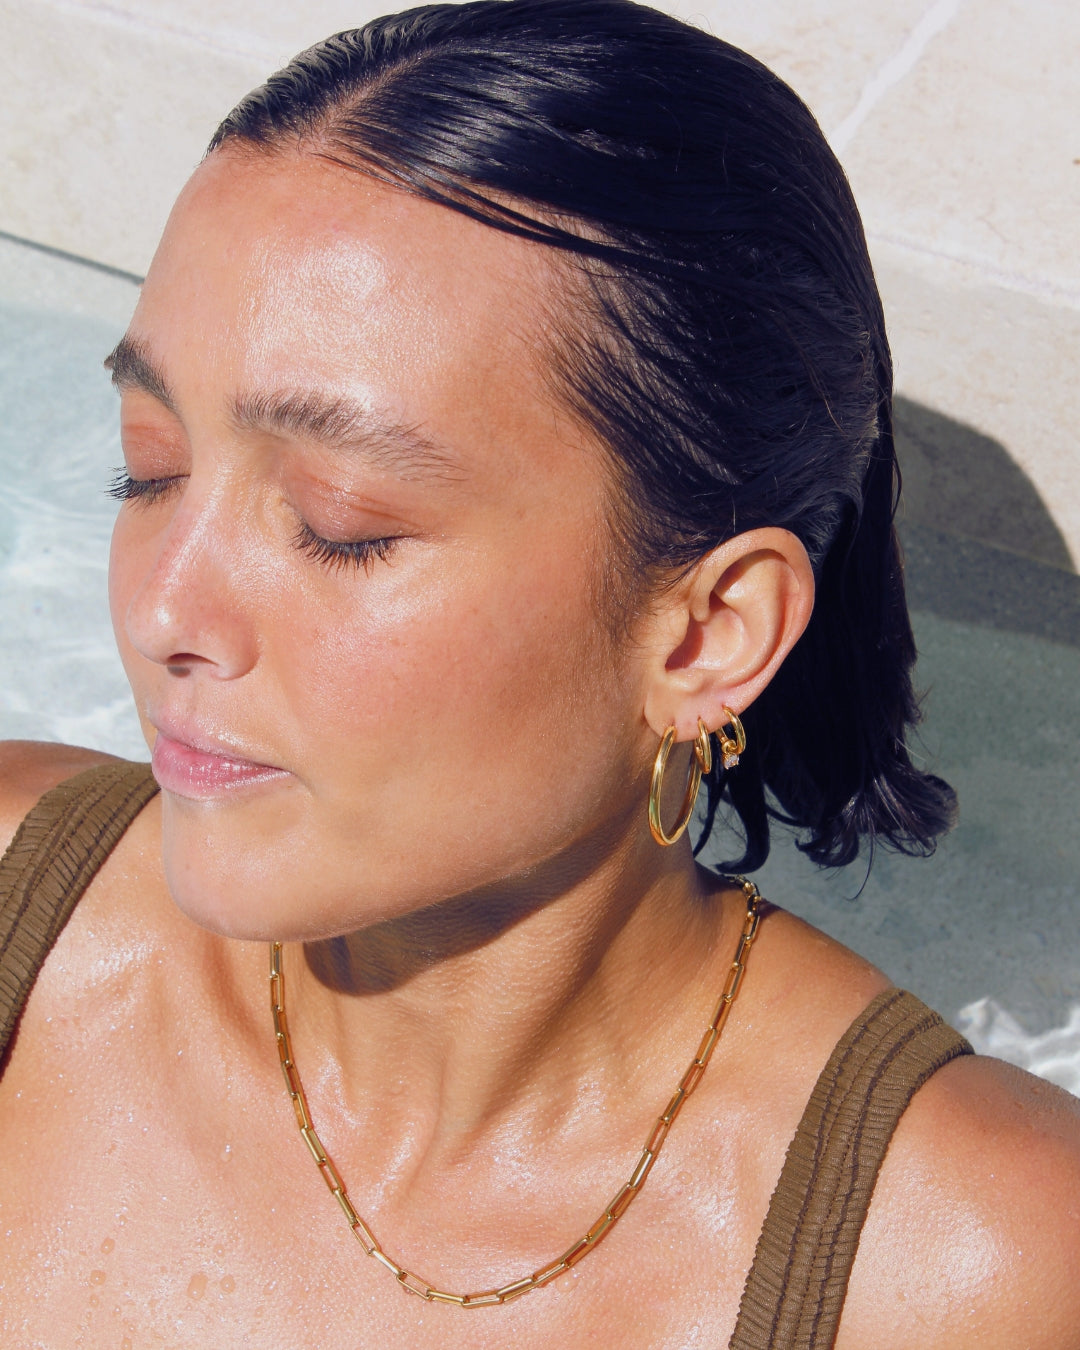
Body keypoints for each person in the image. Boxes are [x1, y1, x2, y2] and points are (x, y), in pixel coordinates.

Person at [1, 1, 1078, 1345]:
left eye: (343, 527)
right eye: (148, 467)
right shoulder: (20, 931)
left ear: (705, 635)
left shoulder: (967, 1265)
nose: (163, 605)